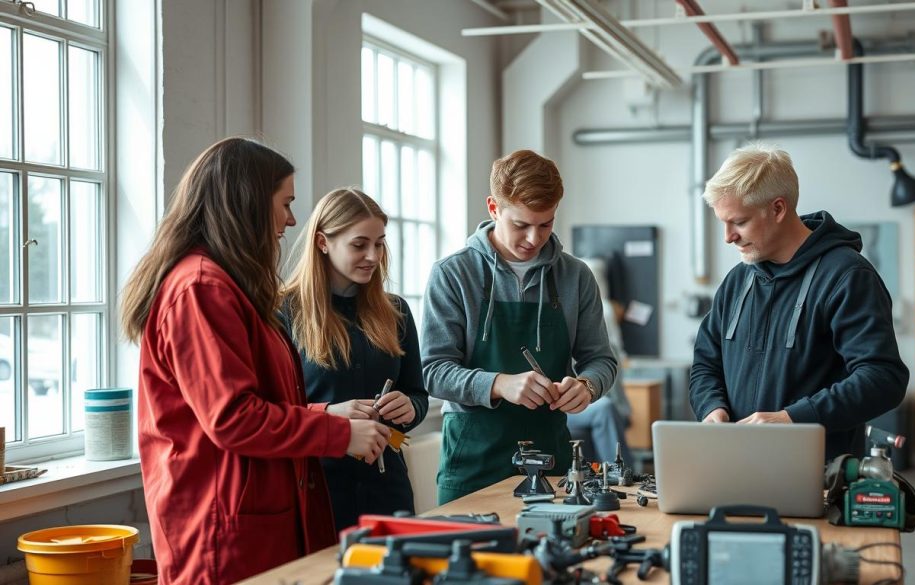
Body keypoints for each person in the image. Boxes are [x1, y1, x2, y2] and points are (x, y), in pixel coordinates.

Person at [120, 138, 391, 585]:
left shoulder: (224, 284)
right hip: (222, 530)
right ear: (247, 203)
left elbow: (256, 400)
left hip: (250, 522)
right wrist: (337, 432)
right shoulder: (201, 288)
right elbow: (233, 418)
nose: (291, 219)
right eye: (285, 203)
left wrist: (325, 413)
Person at [421, 149, 618, 504]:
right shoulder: (452, 274)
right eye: (521, 225)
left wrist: (588, 385)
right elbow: (433, 372)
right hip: (471, 465)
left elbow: (602, 360)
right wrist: (498, 384)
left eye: (546, 224)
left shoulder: (576, 277)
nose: (533, 238)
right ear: (493, 208)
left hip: (552, 462)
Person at [689, 143, 908, 461]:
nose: (728, 237)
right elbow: (706, 364)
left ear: (777, 209)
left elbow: (882, 378)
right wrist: (712, 408)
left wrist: (792, 420)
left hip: (816, 477)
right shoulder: (738, 281)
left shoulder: (847, 276)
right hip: (734, 467)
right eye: (723, 223)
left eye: (739, 222)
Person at [281, 188, 429, 531]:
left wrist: (410, 407)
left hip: (387, 491)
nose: (373, 256)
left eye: (379, 243)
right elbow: (272, 411)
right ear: (322, 242)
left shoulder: (396, 312)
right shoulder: (283, 312)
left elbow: (418, 394)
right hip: (318, 491)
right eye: (359, 244)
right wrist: (330, 416)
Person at [567, 257, 634, 468]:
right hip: (555, 406)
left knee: (607, 407)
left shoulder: (602, 312)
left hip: (585, 397)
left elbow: (605, 359)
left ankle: (622, 474)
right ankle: (620, 475)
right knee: (605, 409)